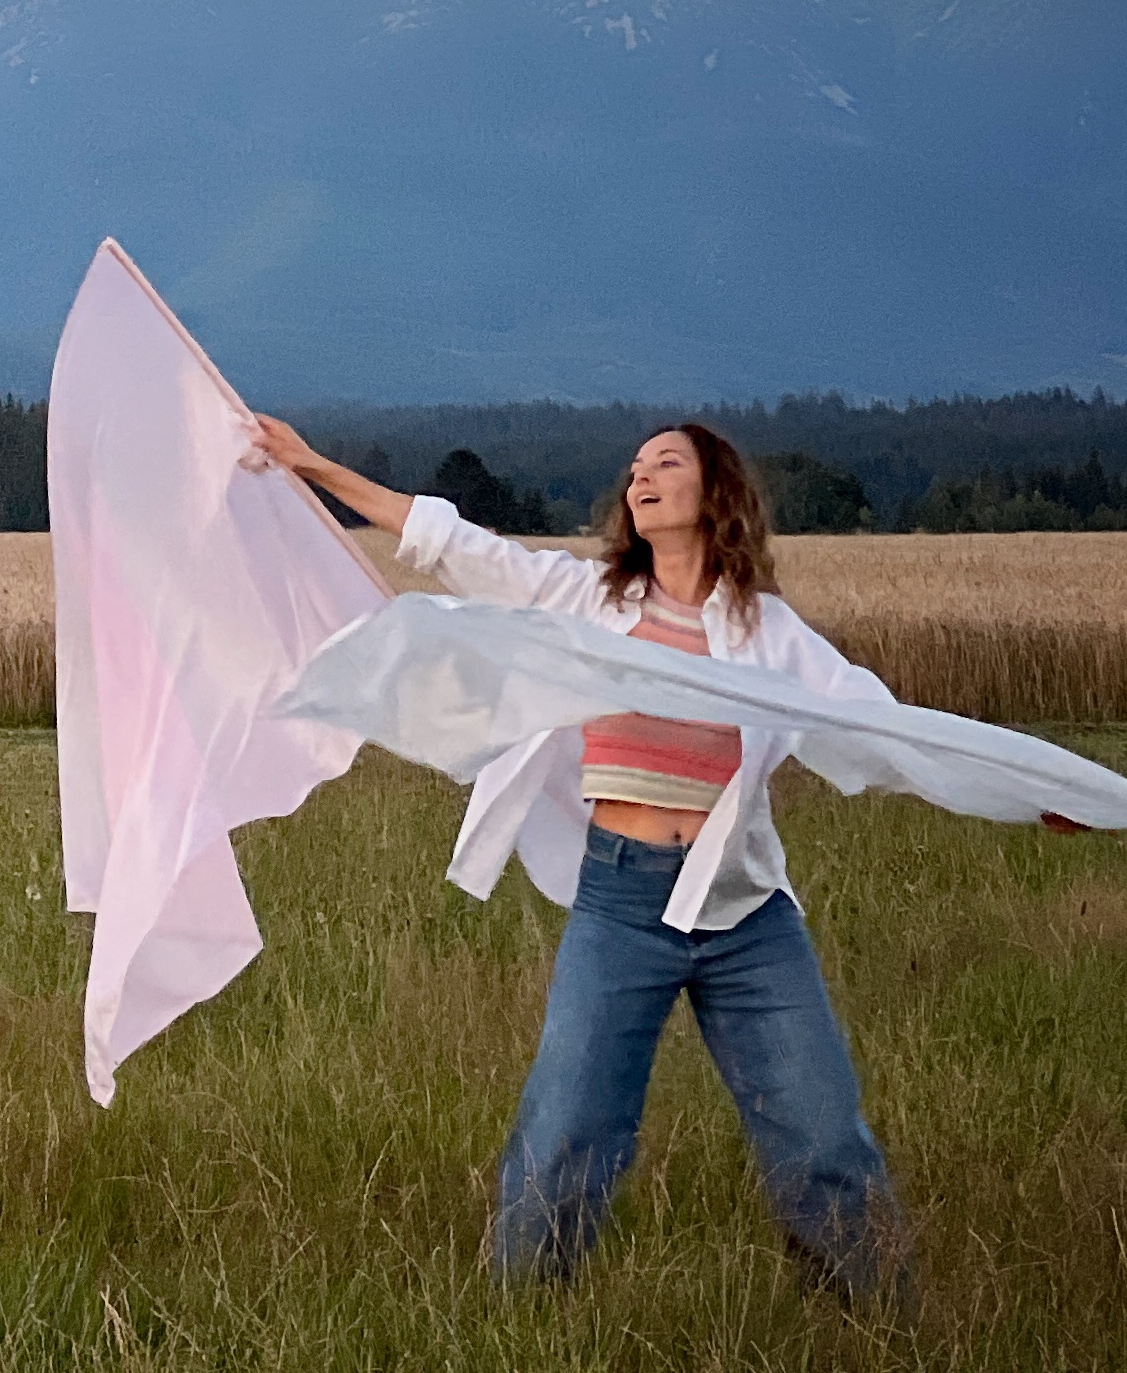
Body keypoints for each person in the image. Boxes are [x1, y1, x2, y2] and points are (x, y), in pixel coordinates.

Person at [244, 414, 921, 1305]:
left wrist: (1044, 797)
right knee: (566, 1132)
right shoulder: (585, 599)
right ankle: (521, 1324)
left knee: (826, 1138)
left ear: (715, 492)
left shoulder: (770, 632)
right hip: (621, 904)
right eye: (635, 467)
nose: (641, 477)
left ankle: (876, 1324)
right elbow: (449, 544)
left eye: (666, 464)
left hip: (745, 915)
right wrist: (311, 462)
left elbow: (881, 725)